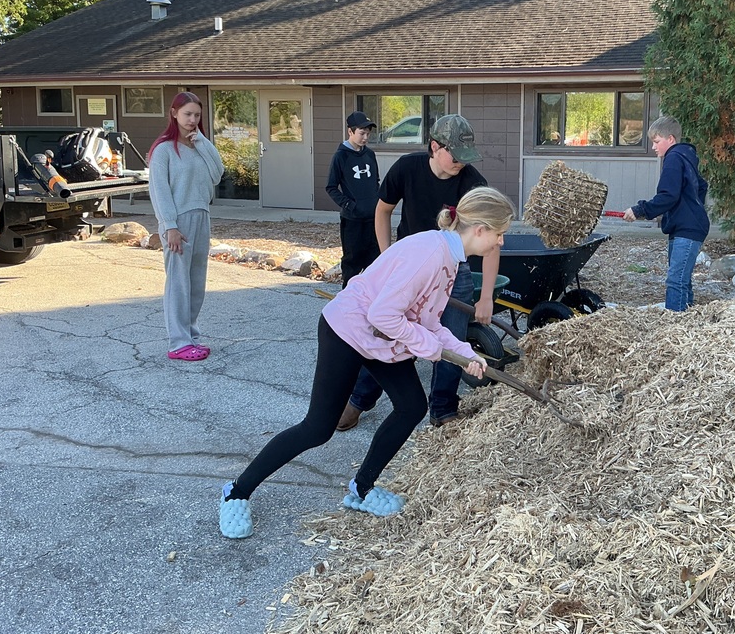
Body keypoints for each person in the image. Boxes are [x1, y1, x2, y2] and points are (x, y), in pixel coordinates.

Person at [219, 187, 514, 538]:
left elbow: (428, 322)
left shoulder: (449, 259)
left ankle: (362, 488)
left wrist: (465, 354)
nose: (500, 242)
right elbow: (383, 315)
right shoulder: (430, 255)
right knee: (318, 428)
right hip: (348, 330)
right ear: (480, 229)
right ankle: (236, 492)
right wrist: (429, 348)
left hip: (383, 339)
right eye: (499, 234)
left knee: (411, 406)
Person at [335, 114, 503, 431]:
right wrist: (386, 256)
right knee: (391, 336)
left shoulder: (472, 184)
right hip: (411, 271)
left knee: (451, 338)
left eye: (466, 156)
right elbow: (383, 209)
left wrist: (485, 297)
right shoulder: (407, 168)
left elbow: (492, 244)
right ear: (435, 147)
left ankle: (443, 408)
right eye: (455, 155)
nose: (461, 162)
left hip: (454, 270)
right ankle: (358, 400)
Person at [147, 92, 225, 361]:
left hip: (201, 216)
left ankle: (190, 335)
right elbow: (159, 191)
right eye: (187, 114)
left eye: (197, 115)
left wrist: (202, 142)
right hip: (177, 221)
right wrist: (169, 226)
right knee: (179, 284)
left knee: (196, 283)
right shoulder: (163, 150)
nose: (192, 119)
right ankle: (178, 343)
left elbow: (217, 174)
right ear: (174, 113)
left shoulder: (198, 146)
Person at [622, 114, 709, 312]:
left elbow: (668, 195)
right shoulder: (686, 156)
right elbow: (702, 186)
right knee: (682, 280)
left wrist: (639, 210)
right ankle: (687, 320)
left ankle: (675, 323)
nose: (653, 147)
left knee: (675, 281)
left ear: (670, 139)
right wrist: (690, 208)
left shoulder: (674, 158)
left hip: (687, 228)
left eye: (656, 141)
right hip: (685, 226)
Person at [325, 111, 380, 287]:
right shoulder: (341, 156)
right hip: (353, 220)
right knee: (352, 262)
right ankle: (348, 297)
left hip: (373, 218)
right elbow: (331, 187)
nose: (365, 138)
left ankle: (370, 297)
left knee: (375, 262)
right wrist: (349, 205)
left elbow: (375, 181)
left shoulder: (370, 155)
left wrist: (377, 203)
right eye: (362, 133)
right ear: (350, 131)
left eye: (368, 134)